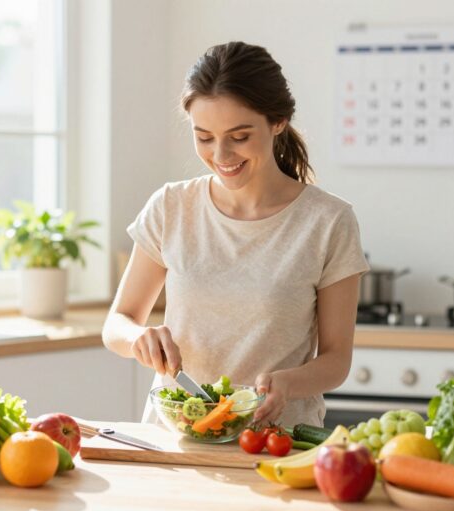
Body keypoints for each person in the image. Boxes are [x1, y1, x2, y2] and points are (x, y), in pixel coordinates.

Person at [103, 41, 369, 427]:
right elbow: (118, 323)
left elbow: (336, 360)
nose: (221, 156)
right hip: (175, 440)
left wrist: (288, 383)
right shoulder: (171, 207)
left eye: (240, 136)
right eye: (204, 137)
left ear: (278, 121)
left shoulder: (328, 221)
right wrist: (137, 338)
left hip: (275, 442)